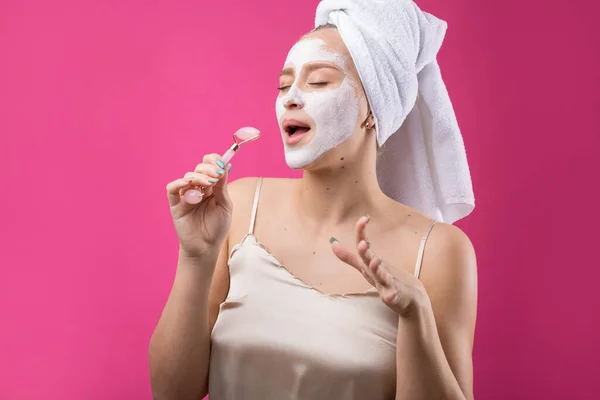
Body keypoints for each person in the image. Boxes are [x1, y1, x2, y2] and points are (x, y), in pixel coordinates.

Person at [149, 1, 477, 399]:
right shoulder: (236, 210)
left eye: (319, 82)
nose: (291, 98)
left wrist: (415, 317)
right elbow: (172, 391)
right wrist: (195, 257)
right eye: (284, 85)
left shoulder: (441, 251)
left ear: (374, 109)